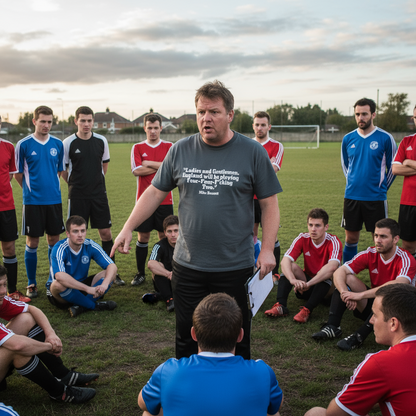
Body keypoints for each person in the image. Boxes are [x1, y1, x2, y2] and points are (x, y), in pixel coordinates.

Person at [112, 80, 282, 360]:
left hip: (234, 266)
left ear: (230, 115)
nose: (206, 118)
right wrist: (127, 227)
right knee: (187, 336)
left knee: (237, 337)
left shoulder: (252, 152)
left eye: (214, 112)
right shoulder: (180, 150)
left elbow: (269, 204)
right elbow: (154, 192)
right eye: (201, 112)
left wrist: (266, 249)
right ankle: (189, 395)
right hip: (188, 266)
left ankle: (235, 396)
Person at [138, 293, 283, 416]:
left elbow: (143, 403)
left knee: (151, 411)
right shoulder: (262, 371)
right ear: (240, 335)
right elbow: (276, 406)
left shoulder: (168, 370)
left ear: (193, 334)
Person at [305, 284, 416, 416]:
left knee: (316, 413)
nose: (371, 321)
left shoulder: (381, 363)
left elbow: (335, 413)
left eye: (375, 315)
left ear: (393, 323)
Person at [312, 218, 416, 351]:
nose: (378, 240)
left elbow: (400, 284)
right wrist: (346, 293)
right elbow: (340, 271)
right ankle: (332, 326)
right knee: (347, 278)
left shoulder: (406, 258)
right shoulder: (370, 253)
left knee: (390, 294)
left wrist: (359, 295)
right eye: (376, 235)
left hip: (398, 313)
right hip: (374, 307)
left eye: (383, 236)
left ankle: (358, 336)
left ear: (395, 239)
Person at [0, 265, 97, 404]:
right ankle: (59, 393)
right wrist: (48, 346)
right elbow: (18, 345)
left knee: (26, 318)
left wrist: (50, 334)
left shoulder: (1, 299)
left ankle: (63, 374)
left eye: (4, 284)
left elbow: (32, 309)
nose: (4, 291)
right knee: (19, 351)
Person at [62, 106, 124, 286]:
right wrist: (75, 185)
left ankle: (111, 273)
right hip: (78, 196)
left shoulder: (101, 141)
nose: (87, 124)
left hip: (99, 195)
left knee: (105, 233)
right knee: (76, 235)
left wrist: (95, 184)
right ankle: (73, 276)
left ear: (93, 122)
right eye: (83, 120)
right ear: (76, 121)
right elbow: (64, 171)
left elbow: (104, 167)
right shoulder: (68, 143)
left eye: (89, 120)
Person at [15, 106, 65, 299]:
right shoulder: (24, 144)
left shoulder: (58, 144)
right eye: (43, 121)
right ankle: (31, 283)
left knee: (54, 240)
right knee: (32, 241)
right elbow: (18, 174)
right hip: (32, 202)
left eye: (49, 122)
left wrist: (50, 188)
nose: (46, 125)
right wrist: (30, 192)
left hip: (54, 200)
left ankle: (53, 279)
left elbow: (59, 170)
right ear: (34, 121)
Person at [341, 98, 397, 264]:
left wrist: (381, 187)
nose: (360, 118)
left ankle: (381, 276)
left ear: (373, 114)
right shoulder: (348, 138)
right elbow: (346, 166)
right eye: (357, 114)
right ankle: (348, 276)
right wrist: (353, 183)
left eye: (364, 114)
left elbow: (393, 168)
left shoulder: (385, 138)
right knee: (351, 238)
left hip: (376, 198)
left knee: (380, 240)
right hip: (351, 197)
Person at [265, 208, 342, 323]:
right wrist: (293, 280)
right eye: (310, 225)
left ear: (326, 227)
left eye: (317, 225)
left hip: (326, 292)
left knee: (329, 275)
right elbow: (285, 261)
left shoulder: (333, 241)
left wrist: (309, 284)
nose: (313, 229)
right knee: (291, 267)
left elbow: (332, 267)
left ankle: (307, 310)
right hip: (307, 286)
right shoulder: (303, 238)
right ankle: (280, 306)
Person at [130, 113, 173, 286]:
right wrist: (161, 165)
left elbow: (171, 169)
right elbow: (136, 171)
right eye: (150, 128)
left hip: (165, 200)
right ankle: (140, 273)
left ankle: (165, 270)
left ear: (161, 128)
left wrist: (149, 163)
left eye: (156, 128)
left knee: (165, 235)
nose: (153, 131)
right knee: (143, 236)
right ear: (145, 128)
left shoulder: (170, 146)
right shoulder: (138, 147)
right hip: (144, 200)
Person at [46, 215, 117, 318]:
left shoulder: (90, 245)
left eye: (82, 231)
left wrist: (105, 284)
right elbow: (60, 276)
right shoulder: (60, 248)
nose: (80, 235)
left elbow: (112, 266)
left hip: (81, 285)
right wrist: (88, 289)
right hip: (60, 293)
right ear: (68, 234)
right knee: (58, 284)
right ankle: (93, 305)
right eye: (75, 231)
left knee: (110, 274)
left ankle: (80, 306)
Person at [0, 116, 29, 303]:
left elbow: (10, 176)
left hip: (6, 206)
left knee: (9, 248)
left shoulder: (8, 147)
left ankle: (12, 292)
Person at [252, 111, 284, 281]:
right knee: (251, 235)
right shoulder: (247, 145)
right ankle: (253, 267)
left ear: (269, 127)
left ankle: (274, 272)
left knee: (271, 237)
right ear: (253, 126)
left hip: (267, 199)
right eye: (257, 124)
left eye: (263, 125)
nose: (260, 128)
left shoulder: (277, 145)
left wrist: (253, 170)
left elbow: (273, 169)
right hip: (249, 199)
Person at [392, 104, 416, 258]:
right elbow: (395, 169)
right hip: (409, 202)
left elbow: (402, 166)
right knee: (408, 245)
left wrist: (408, 162)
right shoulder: (407, 141)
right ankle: (411, 281)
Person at [143, 215, 178, 312]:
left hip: (182, 279)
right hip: (165, 280)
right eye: (169, 231)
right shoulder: (159, 245)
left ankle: (158, 296)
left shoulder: (187, 245)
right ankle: (169, 300)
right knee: (159, 266)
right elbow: (151, 264)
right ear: (165, 233)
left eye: (176, 230)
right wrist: (169, 274)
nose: (173, 234)